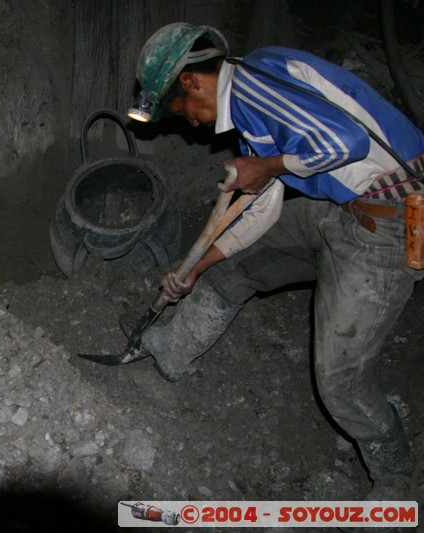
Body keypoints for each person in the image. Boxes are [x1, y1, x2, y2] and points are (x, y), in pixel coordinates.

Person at [125, 23, 424, 502]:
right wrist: (195, 268)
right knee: (235, 266)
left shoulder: (254, 85)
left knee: (340, 380)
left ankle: (397, 476)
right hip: (341, 207)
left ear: (191, 82)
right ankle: (173, 350)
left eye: (180, 112)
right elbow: (262, 206)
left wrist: (267, 166)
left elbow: (346, 142)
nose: (191, 124)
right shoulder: (250, 97)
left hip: (390, 223)